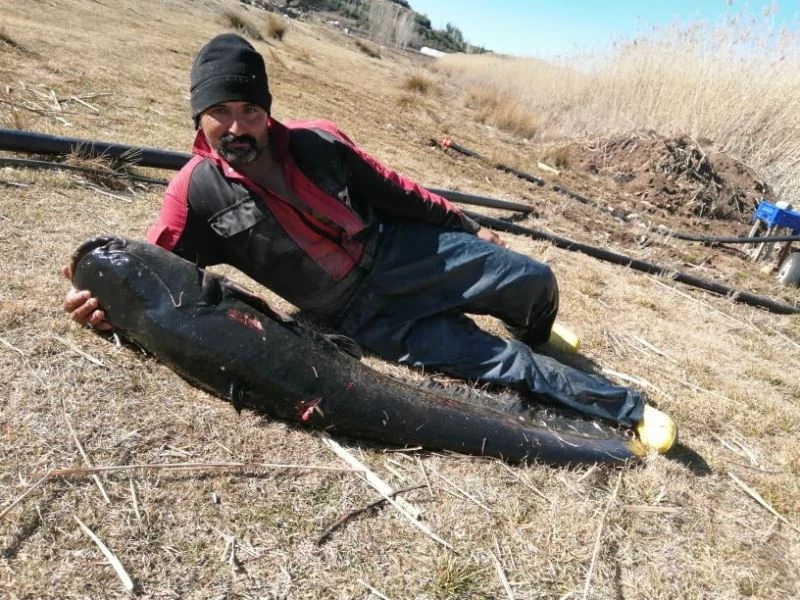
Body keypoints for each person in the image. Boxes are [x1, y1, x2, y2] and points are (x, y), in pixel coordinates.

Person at [62, 33, 675, 452]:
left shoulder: (317, 141)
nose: (236, 126)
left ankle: (539, 327)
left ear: (266, 110)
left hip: (403, 254)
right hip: (354, 313)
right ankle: (623, 409)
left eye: (248, 108)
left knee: (531, 276)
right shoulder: (192, 195)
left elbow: (400, 191)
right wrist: (108, 310)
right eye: (218, 111)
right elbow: (154, 282)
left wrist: (468, 227)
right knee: (500, 365)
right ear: (197, 118)